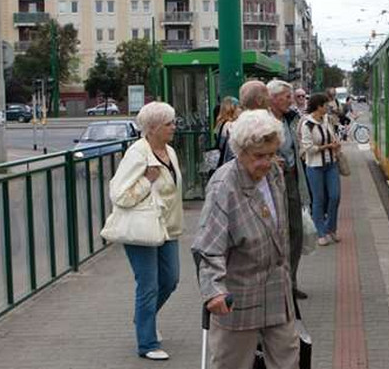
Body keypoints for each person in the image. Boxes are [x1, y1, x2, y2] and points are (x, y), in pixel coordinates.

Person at [193, 109, 299, 369]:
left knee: (289, 360)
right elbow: (208, 247)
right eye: (259, 156)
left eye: (271, 154)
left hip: (277, 292)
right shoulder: (224, 186)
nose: (266, 162)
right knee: (232, 364)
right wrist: (214, 292)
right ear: (240, 151)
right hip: (238, 298)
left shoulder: (274, 174)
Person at [110, 101, 184, 360]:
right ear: (152, 128)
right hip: (142, 230)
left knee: (171, 280)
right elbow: (118, 194)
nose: (174, 127)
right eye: (169, 124)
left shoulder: (170, 152)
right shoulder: (137, 153)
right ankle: (147, 343)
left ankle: (144, 317)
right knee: (148, 285)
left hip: (168, 228)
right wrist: (146, 181)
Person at [268, 79, 308, 299]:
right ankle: (279, 284)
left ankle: (291, 281)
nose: (291, 100)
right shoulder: (262, 121)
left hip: (291, 178)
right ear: (273, 98)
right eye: (286, 96)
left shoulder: (289, 118)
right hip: (273, 182)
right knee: (278, 234)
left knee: (296, 232)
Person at [299, 93, 342, 246]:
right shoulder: (307, 124)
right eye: (326, 105)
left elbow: (333, 136)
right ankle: (321, 232)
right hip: (315, 166)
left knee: (335, 196)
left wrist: (336, 144)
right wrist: (327, 147)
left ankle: (331, 228)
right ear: (319, 106)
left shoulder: (327, 120)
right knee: (319, 199)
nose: (328, 107)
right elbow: (308, 148)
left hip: (331, 164)